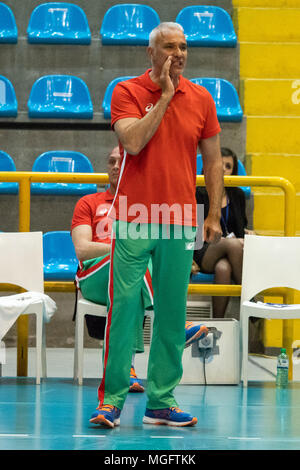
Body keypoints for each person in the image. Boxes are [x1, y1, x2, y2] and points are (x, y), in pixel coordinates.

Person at [90, 22, 223, 428]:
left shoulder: (202, 98)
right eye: (169, 47)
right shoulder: (127, 91)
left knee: (171, 312)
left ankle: (161, 401)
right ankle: (111, 399)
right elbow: (131, 142)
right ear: (151, 53)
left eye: (183, 47)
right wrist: (165, 96)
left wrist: (214, 213)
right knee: (125, 308)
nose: (178, 54)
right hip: (133, 214)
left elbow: (214, 161)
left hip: (182, 218)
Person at [71, 146, 208, 393]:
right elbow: (82, 249)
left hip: (131, 276)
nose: (115, 166)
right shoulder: (88, 202)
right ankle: (177, 326)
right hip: (93, 276)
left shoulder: (144, 207)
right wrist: (125, 250)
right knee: (133, 261)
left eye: (120, 161)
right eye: (110, 161)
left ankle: (127, 369)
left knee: (132, 280)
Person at [192, 147, 255, 318]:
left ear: (233, 172)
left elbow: (239, 229)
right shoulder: (197, 192)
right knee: (235, 244)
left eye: (228, 166)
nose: (222, 170)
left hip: (229, 253)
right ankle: (252, 300)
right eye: (219, 164)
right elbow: (192, 233)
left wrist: (248, 234)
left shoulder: (238, 195)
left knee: (223, 269)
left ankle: (218, 323)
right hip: (202, 252)